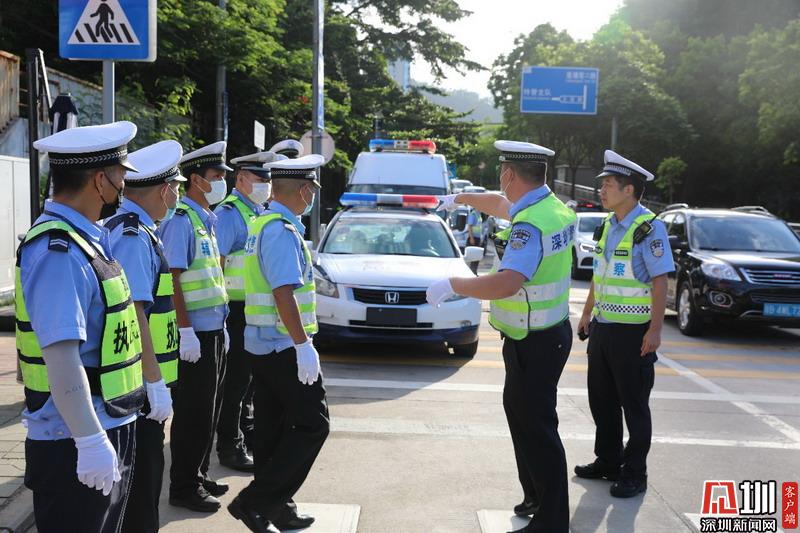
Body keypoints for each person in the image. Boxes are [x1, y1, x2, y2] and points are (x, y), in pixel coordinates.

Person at [428, 140, 576, 533]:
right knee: (522, 417)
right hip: (543, 334)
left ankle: (551, 521)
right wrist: (460, 198)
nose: (500, 180)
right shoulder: (552, 208)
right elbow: (498, 203)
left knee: (537, 429)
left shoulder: (529, 225)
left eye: (501, 172)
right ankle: (535, 496)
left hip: (536, 341)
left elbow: (507, 282)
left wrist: (454, 284)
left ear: (509, 174)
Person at [19, 121, 144, 532]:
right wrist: (89, 439)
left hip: (103, 424)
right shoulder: (60, 251)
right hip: (73, 438)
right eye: (121, 176)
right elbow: (62, 356)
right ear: (100, 180)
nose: (123, 186)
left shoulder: (86, 239)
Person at [227, 154, 329, 533]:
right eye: (312, 191)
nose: (312, 197)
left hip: (265, 344)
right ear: (303, 191)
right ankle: (255, 501)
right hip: (283, 346)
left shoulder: (263, 223)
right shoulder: (280, 231)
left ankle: (277, 508)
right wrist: (303, 345)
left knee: (273, 428)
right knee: (313, 424)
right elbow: (283, 292)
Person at [574, 150, 674, 498]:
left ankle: (635, 473)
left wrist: (655, 330)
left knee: (634, 405)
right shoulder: (607, 225)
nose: (601, 190)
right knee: (601, 401)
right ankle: (608, 461)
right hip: (603, 328)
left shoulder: (649, 228)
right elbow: (599, 274)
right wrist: (586, 313)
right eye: (602, 184)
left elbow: (660, 280)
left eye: (609, 185)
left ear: (629, 189)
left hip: (634, 333)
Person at [104, 140, 185, 532]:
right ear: (163, 190)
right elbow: (135, 313)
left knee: (144, 484)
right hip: (138, 387)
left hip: (141, 384)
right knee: (141, 490)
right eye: (176, 188)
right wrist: (154, 382)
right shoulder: (133, 237)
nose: (176, 196)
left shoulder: (140, 231)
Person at [160, 141, 231, 512]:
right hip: (194, 336)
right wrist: (185, 331)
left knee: (210, 410)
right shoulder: (181, 221)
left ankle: (199, 474)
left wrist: (222, 325)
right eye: (216, 176)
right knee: (192, 413)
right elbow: (172, 280)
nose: (221, 182)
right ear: (196, 180)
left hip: (212, 330)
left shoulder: (206, 221)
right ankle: (184, 486)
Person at [214, 150, 279, 472]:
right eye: (259, 179)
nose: (265, 185)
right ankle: (230, 446)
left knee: (251, 380)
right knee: (236, 382)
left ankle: (247, 432)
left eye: (268, 180)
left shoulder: (257, 212)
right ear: (240, 179)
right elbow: (217, 264)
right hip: (234, 310)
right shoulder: (229, 214)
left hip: (254, 309)